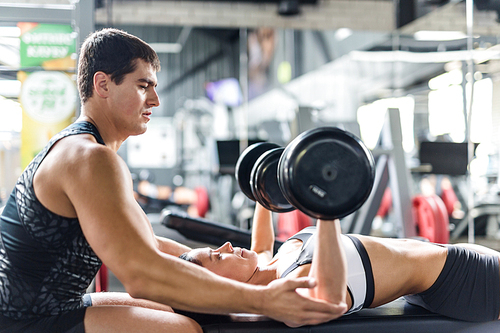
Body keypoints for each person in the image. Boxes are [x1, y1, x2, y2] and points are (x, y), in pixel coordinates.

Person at [0, 28, 344, 333]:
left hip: (49, 306)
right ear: (102, 84)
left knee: (176, 311)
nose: (155, 100)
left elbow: (151, 244)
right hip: (25, 320)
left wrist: (236, 273)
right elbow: (140, 274)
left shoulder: (88, 150)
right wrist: (260, 299)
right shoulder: (90, 158)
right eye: (142, 86)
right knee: (182, 330)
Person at [181, 202, 500, 323]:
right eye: (216, 256)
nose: (224, 246)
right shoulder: (290, 291)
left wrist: (262, 187)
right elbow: (329, 299)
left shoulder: (269, 264)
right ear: (220, 285)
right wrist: (326, 208)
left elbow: (261, 242)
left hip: (454, 263)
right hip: (464, 282)